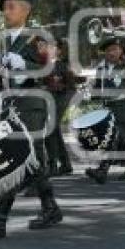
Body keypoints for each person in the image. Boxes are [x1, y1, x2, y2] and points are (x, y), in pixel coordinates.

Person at [0, 0, 63, 238]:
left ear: (26, 10)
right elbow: (1, 75)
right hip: (12, 105)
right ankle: (50, 208)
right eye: (5, 8)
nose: (6, 11)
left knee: (14, 157)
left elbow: (51, 73)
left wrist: (24, 65)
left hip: (32, 104)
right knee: (32, 162)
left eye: (11, 7)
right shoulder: (4, 40)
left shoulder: (38, 37)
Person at [85, 37, 125, 183]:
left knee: (115, 136)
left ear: (121, 51)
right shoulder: (101, 68)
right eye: (109, 50)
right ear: (105, 53)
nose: (112, 53)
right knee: (121, 138)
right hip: (110, 106)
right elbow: (98, 88)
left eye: (116, 50)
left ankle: (103, 170)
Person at [42, 38, 76, 177]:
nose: (49, 49)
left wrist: (59, 86)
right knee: (54, 131)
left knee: (50, 130)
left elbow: (71, 84)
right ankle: (65, 164)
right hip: (49, 99)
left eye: (52, 47)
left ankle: (53, 165)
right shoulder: (44, 64)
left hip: (61, 98)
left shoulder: (62, 65)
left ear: (59, 50)